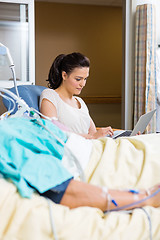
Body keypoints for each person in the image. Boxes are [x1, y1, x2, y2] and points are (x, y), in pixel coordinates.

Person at [0, 116, 160, 213]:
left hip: (106, 147)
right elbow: (62, 190)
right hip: (100, 162)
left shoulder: (11, 124)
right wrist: (145, 198)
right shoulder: (5, 137)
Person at [40, 52, 114, 139]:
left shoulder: (80, 102)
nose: (83, 84)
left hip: (92, 146)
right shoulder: (50, 96)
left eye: (85, 79)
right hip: (73, 149)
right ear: (64, 75)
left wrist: (103, 133)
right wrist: (93, 137)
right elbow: (52, 132)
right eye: (78, 79)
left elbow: (93, 133)